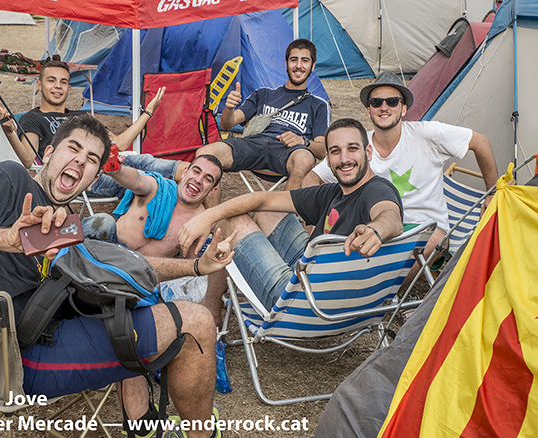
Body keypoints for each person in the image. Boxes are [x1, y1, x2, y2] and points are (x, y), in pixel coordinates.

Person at [0, 115, 226, 438]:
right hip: (5, 359)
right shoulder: (11, 178)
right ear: (48, 153)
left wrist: (195, 267)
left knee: (129, 311)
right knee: (196, 323)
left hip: (2, 340)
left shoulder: (62, 221)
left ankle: (142, 426)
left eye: (91, 159)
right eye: (73, 148)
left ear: (94, 177)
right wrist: (4, 238)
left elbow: (120, 266)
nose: (80, 160)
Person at [179, 118, 403, 309]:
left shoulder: (377, 189)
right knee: (269, 211)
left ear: (368, 152)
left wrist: (376, 230)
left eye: (352, 149)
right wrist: (207, 216)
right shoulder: (335, 191)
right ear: (327, 158)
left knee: (231, 222)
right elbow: (264, 200)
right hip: (311, 274)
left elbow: (390, 216)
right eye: (336, 151)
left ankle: (211, 308)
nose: (344, 159)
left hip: (302, 300)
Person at [302, 71, 499, 272]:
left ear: (403, 109)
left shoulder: (427, 134)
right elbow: (312, 177)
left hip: (424, 229)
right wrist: (315, 224)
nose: (384, 107)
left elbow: (480, 141)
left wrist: (493, 191)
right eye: (376, 102)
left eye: (392, 101)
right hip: (375, 230)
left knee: (435, 241)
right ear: (369, 110)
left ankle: (383, 289)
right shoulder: (358, 146)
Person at [0, 59, 187, 200]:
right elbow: (28, 160)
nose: (57, 86)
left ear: (69, 87)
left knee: (172, 169)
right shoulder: (32, 118)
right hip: (85, 173)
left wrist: (148, 112)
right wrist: (10, 132)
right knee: (153, 183)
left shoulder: (81, 116)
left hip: (114, 161)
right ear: (39, 84)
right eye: (51, 80)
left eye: (63, 82)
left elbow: (119, 144)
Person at [83, 154, 231, 327]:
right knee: (102, 222)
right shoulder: (157, 187)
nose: (198, 180)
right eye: (196, 171)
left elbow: (190, 265)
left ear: (212, 190)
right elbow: (137, 180)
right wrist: (117, 170)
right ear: (185, 172)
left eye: (207, 179)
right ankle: (62, 256)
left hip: (141, 274)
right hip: (109, 250)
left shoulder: (201, 221)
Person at [196, 39, 330, 199]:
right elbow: (227, 124)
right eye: (294, 60)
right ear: (286, 63)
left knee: (305, 159)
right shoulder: (264, 94)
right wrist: (229, 108)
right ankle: (210, 214)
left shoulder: (318, 105)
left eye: (305, 61)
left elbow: (322, 151)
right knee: (205, 153)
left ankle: (283, 213)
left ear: (312, 66)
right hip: (254, 145)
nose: (298, 65)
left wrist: (303, 141)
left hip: (288, 152)